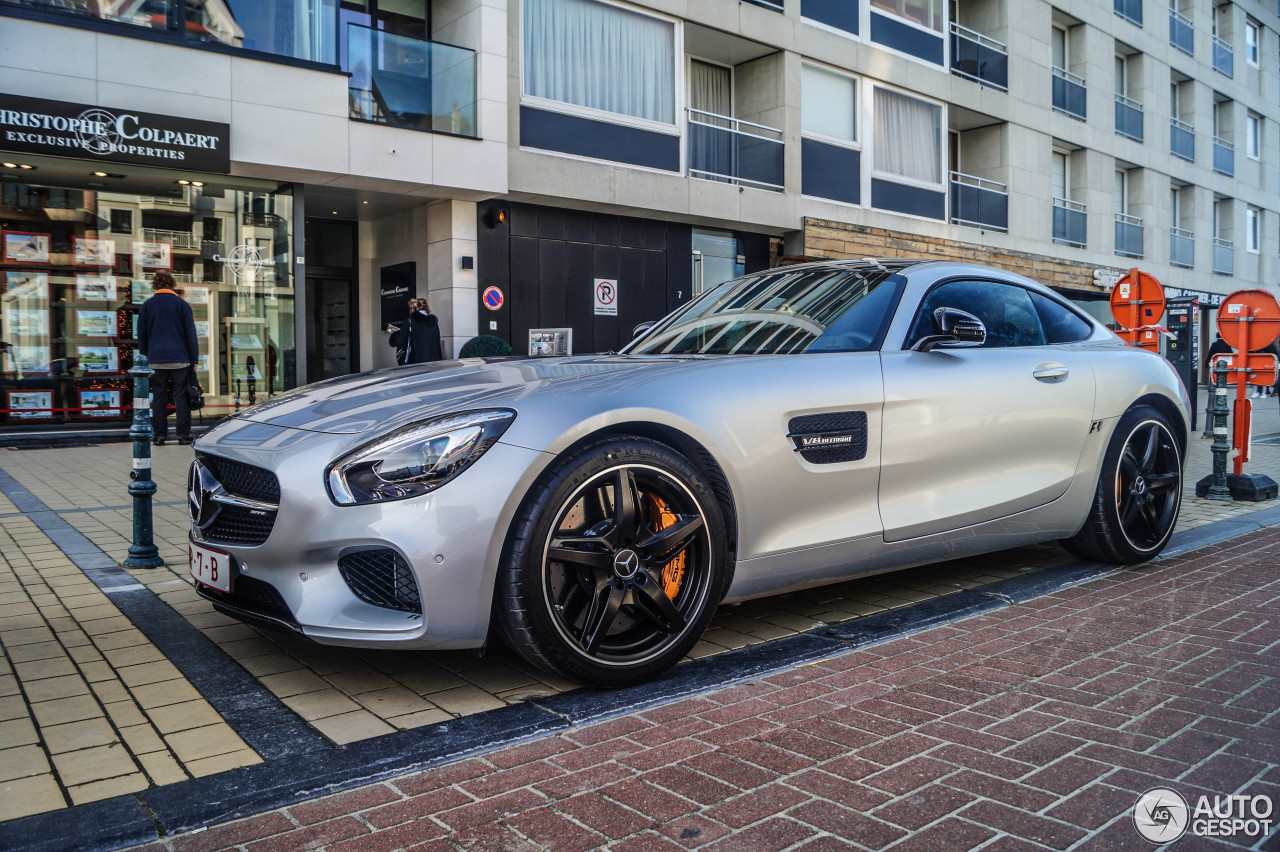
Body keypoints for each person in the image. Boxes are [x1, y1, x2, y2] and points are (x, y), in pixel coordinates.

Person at [137, 270, 199, 446]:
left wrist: (145, 358)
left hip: (156, 359)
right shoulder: (182, 305)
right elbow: (190, 334)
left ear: (155, 285)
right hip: (181, 358)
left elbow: (142, 335)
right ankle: (183, 435)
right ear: (172, 284)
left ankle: (159, 436)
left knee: (159, 397)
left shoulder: (147, 306)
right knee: (181, 397)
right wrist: (194, 359)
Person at [387, 297, 443, 364]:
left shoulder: (410, 321)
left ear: (413, 308)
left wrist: (395, 335)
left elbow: (400, 340)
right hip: (434, 362)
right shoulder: (433, 321)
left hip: (416, 362)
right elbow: (437, 342)